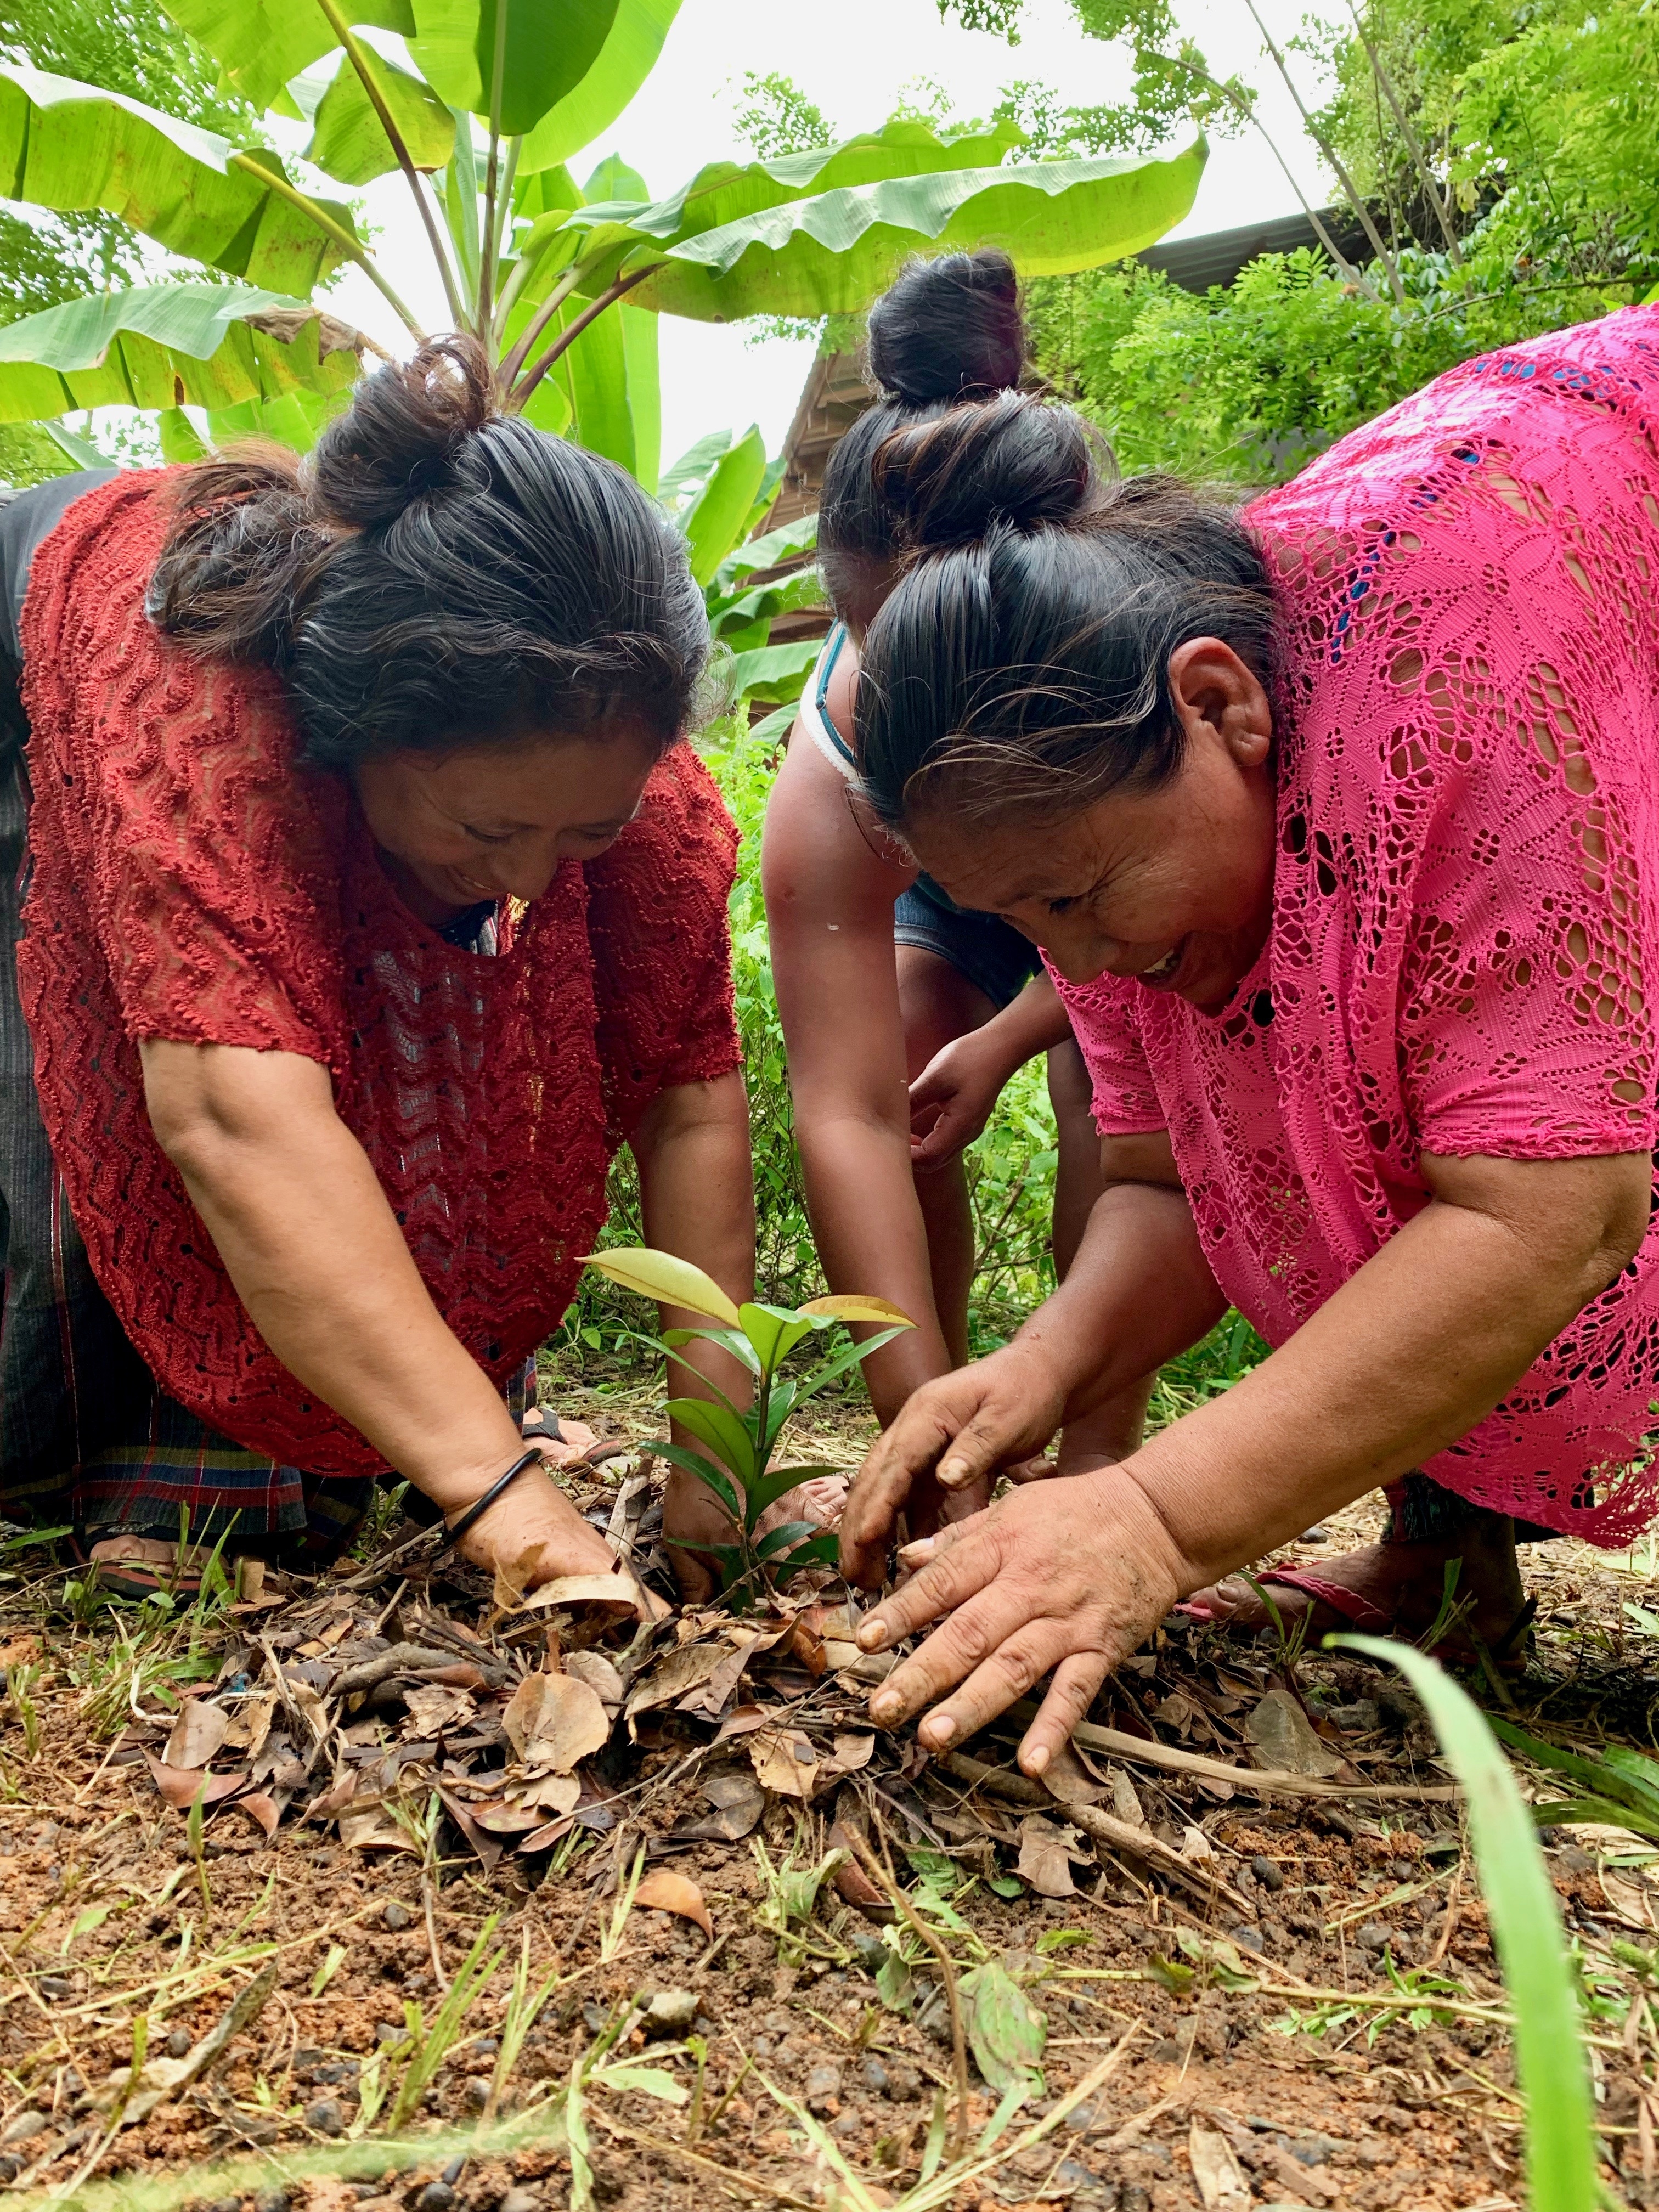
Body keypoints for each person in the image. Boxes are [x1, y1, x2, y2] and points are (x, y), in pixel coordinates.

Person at [834, 302, 1659, 1778]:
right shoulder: (1090, 817)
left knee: (1493, 1086)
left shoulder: (1462, 647)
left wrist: (1153, 1520)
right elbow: (1177, 1184)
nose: (1081, 963)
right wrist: (1044, 1363)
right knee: (1348, 1097)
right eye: (1032, 923)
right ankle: (1452, 1553)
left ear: (1219, 704)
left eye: (1082, 897)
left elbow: (1549, 1205)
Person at [1, 337, 754, 1598]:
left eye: (581, 831)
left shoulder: (619, 740)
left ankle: (411, 1422)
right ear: (349, 742)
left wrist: (717, 1478)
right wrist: (511, 1508)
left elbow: (688, 1099)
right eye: (485, 830)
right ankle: (140, 1464)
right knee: (97, 1077)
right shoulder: (205, 689)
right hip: (34, 688)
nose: (530, 880)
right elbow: (232, 1114)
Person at [764, 252, 1118, 1498]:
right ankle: (948, 1423)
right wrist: (914, 1432)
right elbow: (846, 1108)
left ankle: (1094, 1451)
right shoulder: (838, 768)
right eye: (877, 647)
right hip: (945, 894)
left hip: (1119, 873)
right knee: (909, 1066)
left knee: (1114, 1089)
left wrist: (1025, 1033)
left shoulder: (1144, 669)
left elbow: (1159, 958)